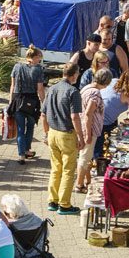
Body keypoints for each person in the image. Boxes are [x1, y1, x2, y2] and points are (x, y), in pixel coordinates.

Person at [42, 62, 86, 215]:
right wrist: (81, 136)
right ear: (74, 75)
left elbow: (43, 114)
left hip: (53, 133)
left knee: (55, 169)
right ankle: (64, 204)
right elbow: (74, 116)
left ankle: (52, 200)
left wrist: (46, 133)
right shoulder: (73, 91)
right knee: (68, 170)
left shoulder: (52, 89)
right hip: (66, 134)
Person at [76, 68, 112, 192]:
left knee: (86, 156)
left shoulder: (86, 88)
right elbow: (88, 113)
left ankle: (88, 180)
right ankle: (79, 184)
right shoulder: (95, 93)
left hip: (81, 126)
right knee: (85, 157)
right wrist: (88, 134)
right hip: (89, 128)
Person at [10, 46, 46, 164]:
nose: (39, 61)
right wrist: (44, 102)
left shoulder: (17, 66)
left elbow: (12, 85)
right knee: (30, 126)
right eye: (39, 58)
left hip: (18, 99)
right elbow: (40, 89)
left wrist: (11, 101)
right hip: (31, 101)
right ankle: (26, 149)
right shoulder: (38, 69)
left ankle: (21, 155)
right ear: (35, 57)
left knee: (20, 128)